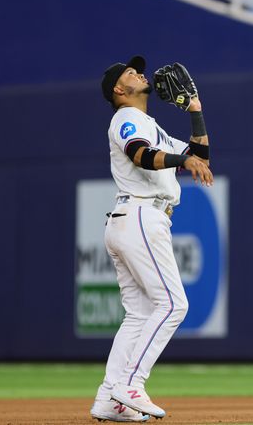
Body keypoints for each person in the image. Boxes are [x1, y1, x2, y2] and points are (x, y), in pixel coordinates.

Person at [91, 56, 213, 423]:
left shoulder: (147, 122)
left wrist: (195, 109)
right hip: (142, 215)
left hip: (132, 219)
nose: (141, 73)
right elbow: (140, 155)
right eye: (131, 72)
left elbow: (200, 158)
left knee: (140, 314)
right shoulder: (125, 119)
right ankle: (130, 385)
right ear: (119, 89)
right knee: (173, 305)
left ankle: (108, 398)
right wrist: (182, 160)